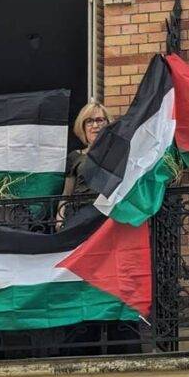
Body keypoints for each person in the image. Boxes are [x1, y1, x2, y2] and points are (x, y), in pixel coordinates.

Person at [58, 101, 141, 355]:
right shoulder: (76, 157)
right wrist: (60, 221)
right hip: (80, 223)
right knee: (82, 280)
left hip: (109, 224)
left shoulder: (118, 154)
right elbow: (66, 193)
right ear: (82, 127)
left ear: (108, 125)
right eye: (90, 121)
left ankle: (123, 342)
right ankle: (81, 341)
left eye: (100, 120)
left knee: (114, 281)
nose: (95, 125)